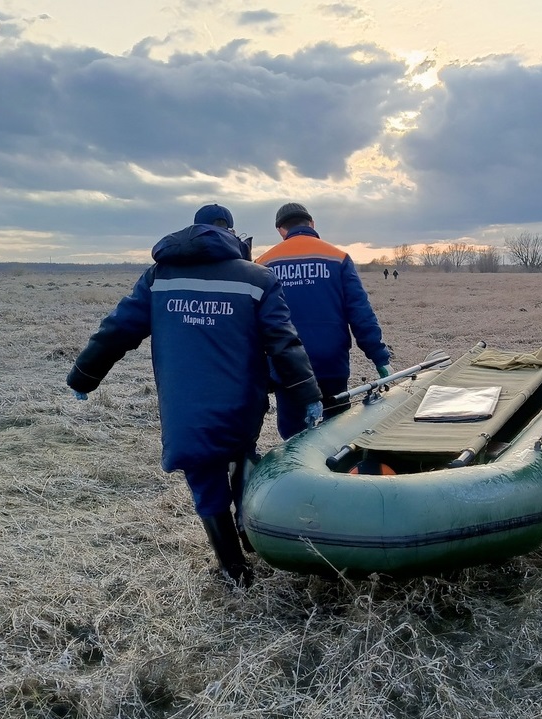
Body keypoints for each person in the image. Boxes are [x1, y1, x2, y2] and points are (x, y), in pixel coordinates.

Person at [66, 204, 324, 589]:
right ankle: (248, 526)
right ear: (232, 235)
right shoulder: (257, 279)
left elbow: (117, 330)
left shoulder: (159, 278)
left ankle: (233, 571)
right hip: (241, 402)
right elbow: (284, 344)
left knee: (204, 478)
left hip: (183, 408)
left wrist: (84, 376)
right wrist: (308, 395)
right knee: (240, 451)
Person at [255, 201, 394, 438]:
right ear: (311, 223)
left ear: (280, 229)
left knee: (293, 438)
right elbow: (360, 313)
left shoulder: (263, 264)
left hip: (287, 368)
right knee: (337, 433)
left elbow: (256, 324)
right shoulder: (338, 258)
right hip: (332, 363)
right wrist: (380, 358)